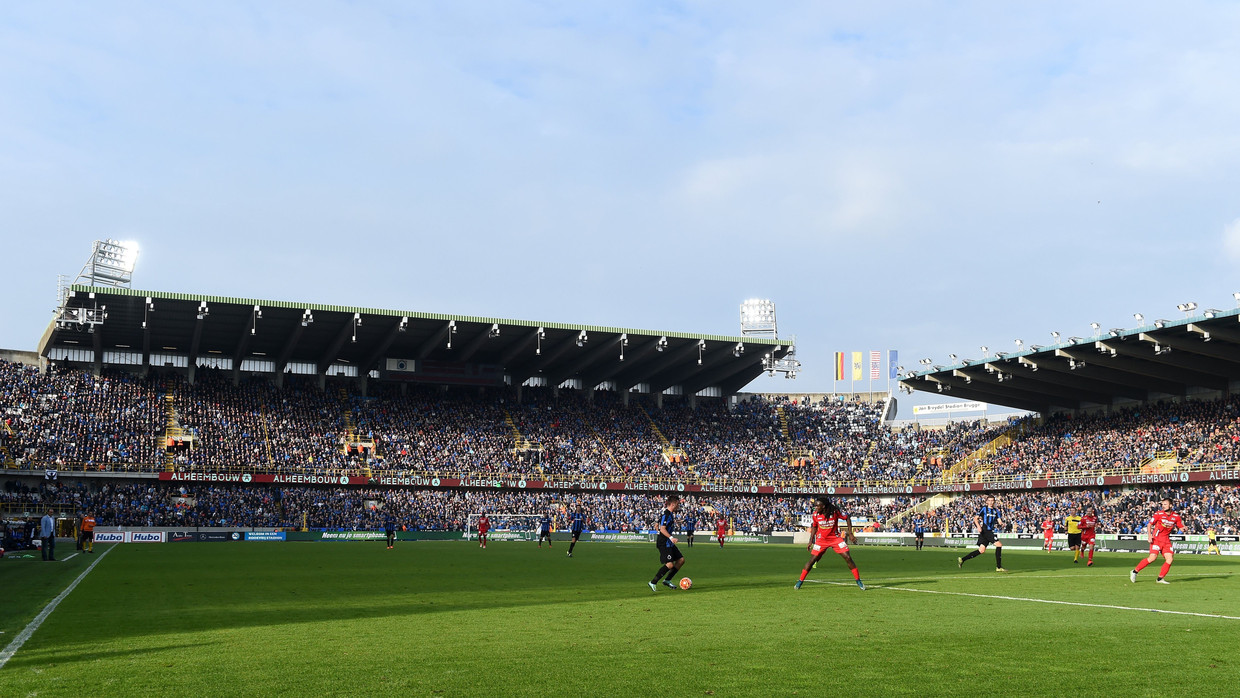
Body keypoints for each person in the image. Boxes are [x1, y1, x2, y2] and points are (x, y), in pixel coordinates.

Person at [795, 498, 864, 590]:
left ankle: (858, 580)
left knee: (848, 557)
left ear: (823, 506)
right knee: (812, 561)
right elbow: (814, 527)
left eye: (817, 506)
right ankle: (800, 581)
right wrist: (810, 540)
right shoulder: (815, 515)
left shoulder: (834, 512)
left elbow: (847, 518)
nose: (815, 507)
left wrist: (850, 534)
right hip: (821, 540)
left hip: (835, 539)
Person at [1131, 496, 1183, 584]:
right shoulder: (1158, 514)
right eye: (1162, 504)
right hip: (1157, 539)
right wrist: (1149, 535)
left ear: (1170, 505)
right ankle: (1134, 571)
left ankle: (1160, 579)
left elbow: (1181, 526)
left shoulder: (1176, 516)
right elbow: (1149, 524)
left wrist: (1184, 528)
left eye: (1165, 504)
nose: (1163, 506)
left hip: (1166, 541)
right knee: (1152, 558)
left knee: (1169, 559)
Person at [958, 495, 1005, 572]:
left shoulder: (996, 511)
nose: (991, 502)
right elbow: (975, 518)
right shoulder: (984, 509)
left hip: (988, 532)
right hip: (986, 530)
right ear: (986, 501)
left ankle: (962, 559)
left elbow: (999, 520)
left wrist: (1002, 523)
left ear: (994, 501)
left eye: (992, 500)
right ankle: (998, 567)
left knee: (981, 550)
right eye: (989, 500)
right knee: (999, 545)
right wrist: (978, 526)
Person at [648, 494, 685, 591]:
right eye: (678, 504)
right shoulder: (667, 514)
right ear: (673, 504)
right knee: (670, 565)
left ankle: (667, 580)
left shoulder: (669, 514)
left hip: (668, 542)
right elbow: (662, 528)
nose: (678, 506)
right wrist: (671, 537)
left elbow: (657, 525)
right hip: (664, 542)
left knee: (681, 560)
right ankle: (653, 582)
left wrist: (657, 528)